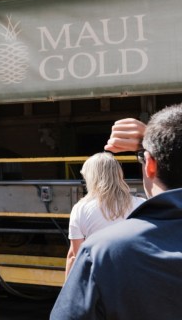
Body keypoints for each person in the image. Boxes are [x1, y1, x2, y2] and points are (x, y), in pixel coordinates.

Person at [51, 105, 182, 319]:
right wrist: (158, 139)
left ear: (149, 164)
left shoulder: (98, 251)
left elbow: (74, 254)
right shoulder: (137, 202)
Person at [64, 151, 146, 277]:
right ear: (119, 174)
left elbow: (75, 255)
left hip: (100, 279)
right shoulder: (141, 204)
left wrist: (67, 292)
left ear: (91, 178)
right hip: (134, 277)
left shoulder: (80, 209)